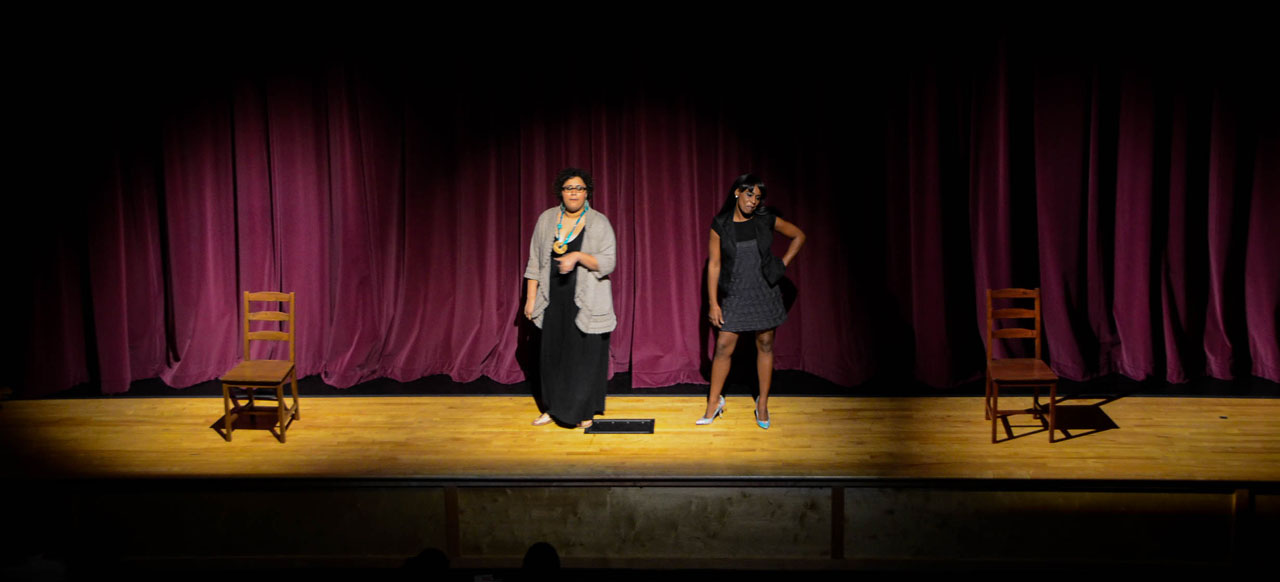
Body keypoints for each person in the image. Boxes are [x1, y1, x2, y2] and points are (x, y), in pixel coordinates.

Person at [698, 173, 805, 429]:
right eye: (749, 194)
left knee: (765, 345)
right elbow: (714, 264)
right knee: (724, 346)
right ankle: (714, 403)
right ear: (737, 192)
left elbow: (799, 235)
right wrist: (713, 303)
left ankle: (763, 404)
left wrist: (782, 265)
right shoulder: (721, 224)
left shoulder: (766, 219)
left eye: (757, 197)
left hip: (764, 292)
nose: (753, 201)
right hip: (735, 291)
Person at [525, 168, 617, 429]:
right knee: (552, 356)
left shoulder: (599, 222)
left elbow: (609, 263)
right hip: (552, 299)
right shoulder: (547, 220)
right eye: (569, 188)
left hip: (586, 301)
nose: (574, 193)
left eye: (579, 188)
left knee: (582, 358)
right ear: (561, 192)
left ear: (587, 193)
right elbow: (534, 262)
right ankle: (552, 408)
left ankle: (584, 410)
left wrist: (578, 257)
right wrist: (531, 299)